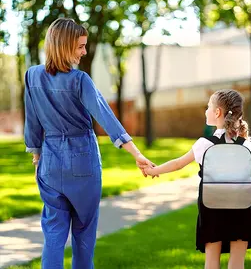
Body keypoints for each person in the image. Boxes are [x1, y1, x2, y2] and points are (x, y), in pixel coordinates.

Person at [24, 18, 154, 269]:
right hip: (82, 160)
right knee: (83, 233)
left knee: (53, 233)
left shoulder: (32, 76)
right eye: (80, 46)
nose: (84, 52)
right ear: (64, 46)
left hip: (49, 163)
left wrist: (37, 159)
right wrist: (136, 153)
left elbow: (32, 123)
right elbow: (106, 117)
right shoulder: (79, 80)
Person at [144, 89, 251, 269]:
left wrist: (154, 171)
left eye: (208, 107)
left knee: (211, 263)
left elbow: (178, 164)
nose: (206, 111)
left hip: (212, 210)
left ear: (217, 113)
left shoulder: (205, 144)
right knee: (237, 263)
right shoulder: (247, 146)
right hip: (241, 210)